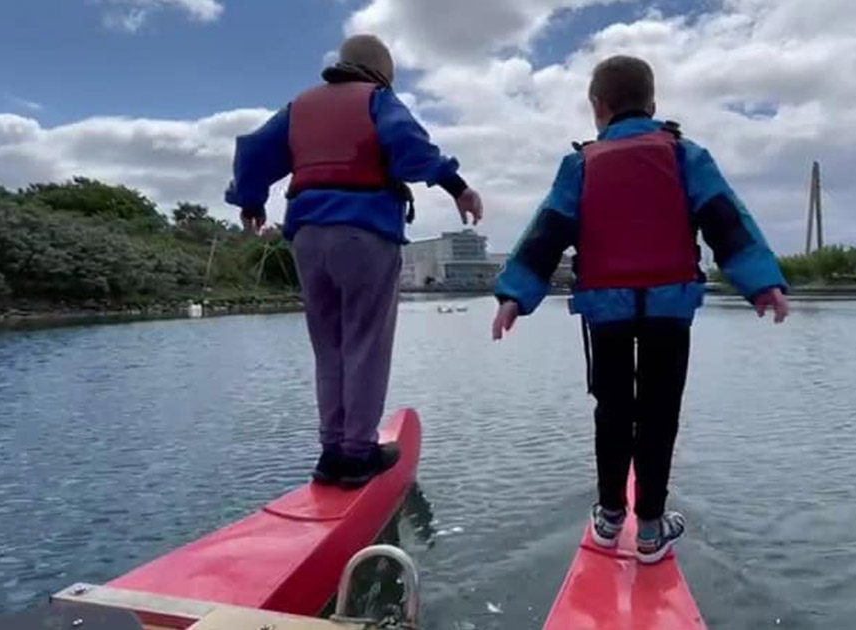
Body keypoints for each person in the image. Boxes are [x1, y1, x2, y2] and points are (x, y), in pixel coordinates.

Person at [491, 55, 789, 564]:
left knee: (612, 411)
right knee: (659, 414)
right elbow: (725, 221)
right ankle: (650, 527)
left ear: (598, 108)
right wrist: (762, 284)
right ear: (652, 105)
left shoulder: (580, 165)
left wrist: (514, 296)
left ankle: (609, 518)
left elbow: (547, 233)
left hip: (605, 310)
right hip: (670, 307)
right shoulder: (684, 155)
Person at [226, 35, 484, 488]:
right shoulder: (378, 100)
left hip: (306, 236)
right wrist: (458, 186)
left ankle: (331, 452)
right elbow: (412, 150)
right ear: (382, 73)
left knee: (329, 346)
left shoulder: (299, 107)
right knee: (366, 343)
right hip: (364, 233)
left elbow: (253, 151)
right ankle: (359, 453)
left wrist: (250, 201)